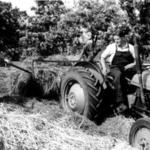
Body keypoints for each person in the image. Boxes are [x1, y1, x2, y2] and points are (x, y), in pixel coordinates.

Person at [100, 29, 136, 112]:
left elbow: (136, 61)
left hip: (128, 68)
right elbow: (102, 57)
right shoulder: (112, 47)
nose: (116, 41)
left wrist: (129, 66)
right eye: (115, 39)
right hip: (115, 67)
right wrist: (104, 68)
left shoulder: (130, 47)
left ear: (123, 38)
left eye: (118, 39)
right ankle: (120, 102)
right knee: (119, 75)